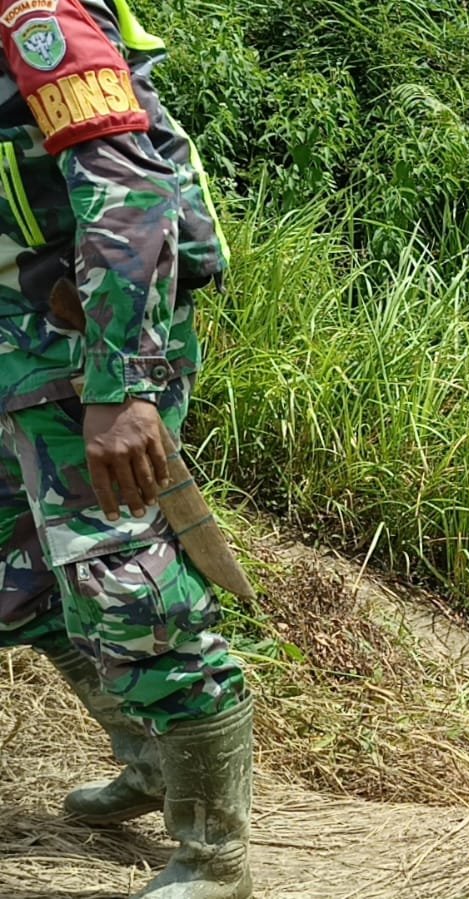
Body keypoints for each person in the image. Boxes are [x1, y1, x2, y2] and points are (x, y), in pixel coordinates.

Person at [0, 1, 252, 896]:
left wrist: (123, 387)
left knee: (127, 586)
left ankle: (215, 857)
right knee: (17, 578)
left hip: (90, 342)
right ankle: (149, 759)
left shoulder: (35, 20)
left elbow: (128, 191)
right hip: (19, 337)